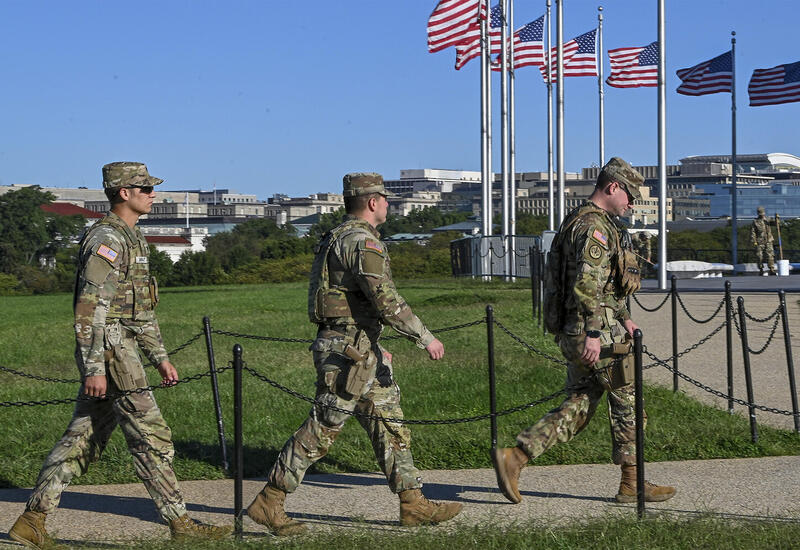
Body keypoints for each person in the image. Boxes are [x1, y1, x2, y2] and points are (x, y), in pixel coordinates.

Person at [9, 162, 231, 548]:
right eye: (145, 188)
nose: (153, 194)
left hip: (122, 344)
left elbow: (140, 308)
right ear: (123, 193)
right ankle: (180, 523)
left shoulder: (133, 237)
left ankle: (32, 519)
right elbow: (88, 309)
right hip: (110, 350)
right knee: (152, 434)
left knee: (82, 438)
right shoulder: (106, 240)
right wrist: (94, 368)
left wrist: (160, 356)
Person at [247, 172, 462, 535]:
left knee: (390, 423)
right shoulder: (361, 242)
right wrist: (425, 337)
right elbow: (386, 299)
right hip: (348, 354)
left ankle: (413, 503)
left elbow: (353, 302)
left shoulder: (339, 236)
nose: (388, 205)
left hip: (361, 349)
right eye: (386, 199)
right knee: (324, 427)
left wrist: (376, 345)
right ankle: (271, 500)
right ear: (374, 202)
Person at [492, 157, 676, 505]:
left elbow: (604, 285)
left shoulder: (578, 220)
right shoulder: (596, 228)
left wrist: (624, 316)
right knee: (628, 401)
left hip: (579, 328)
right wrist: (594, 332)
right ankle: (632, 483)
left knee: (581, 401)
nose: (632, 204)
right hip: (595, 335)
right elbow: (586, 284)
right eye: (630, 195)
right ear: (613, 187)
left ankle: (515, 457)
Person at [750, 206, 776, 276]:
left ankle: (771, 269)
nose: (762, 214)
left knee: (770, 255)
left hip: (768, 240)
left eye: (762, 213)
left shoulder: (768, 219)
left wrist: (777, 219)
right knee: (759, 256)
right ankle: (761, 269)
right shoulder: (755, 221)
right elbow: (753, 232)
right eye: (760, 213)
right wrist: (754, 241)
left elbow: (776, 224)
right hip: (759, 241)